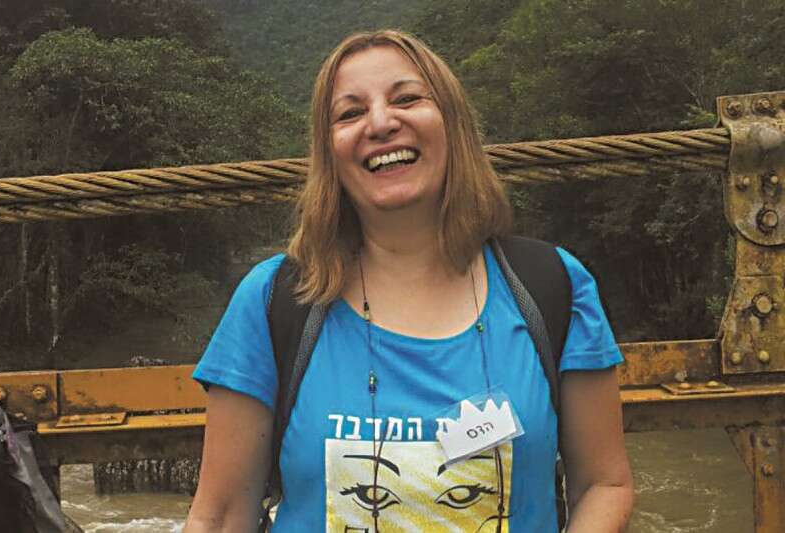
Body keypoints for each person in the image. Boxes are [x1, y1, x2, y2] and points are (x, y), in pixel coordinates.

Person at [184, 29, 633, 532]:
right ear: (329, 152)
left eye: (407, 99)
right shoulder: (274, 302)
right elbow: (220, 517)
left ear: (453, 123)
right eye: (350, 113)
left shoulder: (553, 287)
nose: (380, 123)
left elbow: (603, 485)